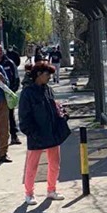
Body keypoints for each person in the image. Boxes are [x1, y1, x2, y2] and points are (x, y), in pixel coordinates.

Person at [18, 61, 69, 204]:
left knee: (55, 163)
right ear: (38, 74)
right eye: (47, 74)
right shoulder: (27, 93)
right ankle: (29, 193)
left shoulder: (48, 89)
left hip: (51, 132)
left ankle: (51, 190)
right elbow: (24, 116)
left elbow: (53, 107)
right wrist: (32, 132)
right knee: (32, 165)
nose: (49, 77)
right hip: (36, 134)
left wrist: (61, 115)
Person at [0, 43, 22, 145]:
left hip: (8, 94)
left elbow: (16, 78)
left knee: (10, 116)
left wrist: (12, 90)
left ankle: (14, 136)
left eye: (1, 50)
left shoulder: (9, 63)